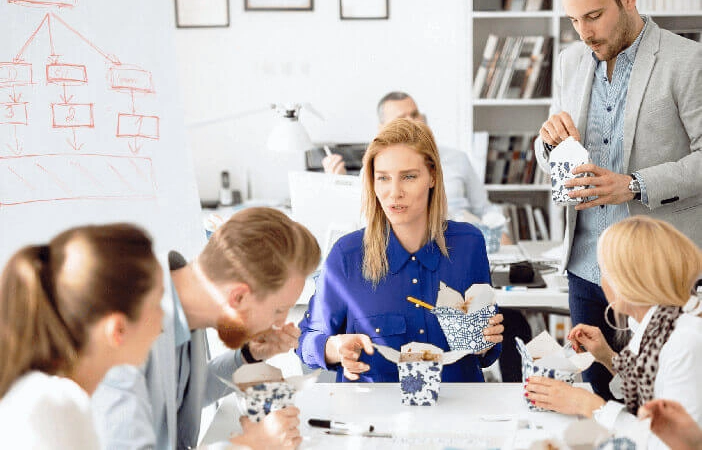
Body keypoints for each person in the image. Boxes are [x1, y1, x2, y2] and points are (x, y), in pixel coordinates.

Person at [533, 0, 702, 400]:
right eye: (574, 20)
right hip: (586, 270)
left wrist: (633, 185)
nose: (584, 33)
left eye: (593, 16)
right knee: (595, 403)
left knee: (663, 404)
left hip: (657, 275)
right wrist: (549, 143)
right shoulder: (571, 61)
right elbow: (550, 154)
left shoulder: (688, 61)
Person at [322, 91, 529, 383]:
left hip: (458, 413)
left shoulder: (469, 244)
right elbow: (311, 337)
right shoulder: (347, 254)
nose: (394, 192)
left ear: (432, 177)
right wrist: (334, 348)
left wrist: (487, 342)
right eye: (383, 178)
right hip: (376, 419)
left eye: (408, 176)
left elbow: (486, 351)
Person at [92, 207, 321, 450]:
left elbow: (181, 397)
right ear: (239, 297)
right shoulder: (124, 328)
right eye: (278, 310)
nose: (279, 323)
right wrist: (251, 445)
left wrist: (248, 356)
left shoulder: (183, 305)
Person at [525, 216, 702, 450]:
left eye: (603, 270)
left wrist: (587, 405)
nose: (600, 281)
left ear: (627, 279)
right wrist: (607, 357)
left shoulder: (685, 340)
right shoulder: (650, 324)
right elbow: (645, 387)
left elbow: (668, 443)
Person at [0, 224, 164, 449]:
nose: (163, 318)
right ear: (118, 330)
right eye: (157, 304)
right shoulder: (56, 409)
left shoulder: (52, 397)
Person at [323, 91, 494, 219]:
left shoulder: (458, 158)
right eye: (401, 119)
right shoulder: (375, 169)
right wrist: (340, 184)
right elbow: (363, 216)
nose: (412, 123)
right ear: (383, 129)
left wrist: (501, 234)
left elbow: (484, 209)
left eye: (414, 115)